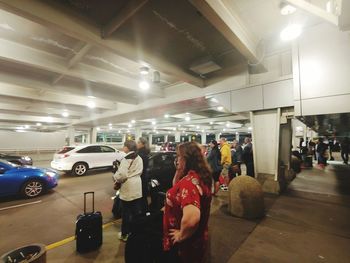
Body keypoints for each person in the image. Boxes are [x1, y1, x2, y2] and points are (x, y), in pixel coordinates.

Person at [164, 142, 212, 263]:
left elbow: (192, 218)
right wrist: (179, 172)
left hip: (187, 245)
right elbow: (177, 189)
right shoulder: (198, 176)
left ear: (187, 159)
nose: (177, 160)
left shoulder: (189, 183)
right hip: (198, 239)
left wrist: (181, 235)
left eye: (179, 156)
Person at [113, 140, 143, 242]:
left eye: (124, 146)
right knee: (136, 212)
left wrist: (115, 176)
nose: (123, 147)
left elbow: (122, 175)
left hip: (128, 188)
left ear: (127, 147)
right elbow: (140, 171)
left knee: (126, 213)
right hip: (137, 186)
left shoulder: (126, 159)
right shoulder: (139, 158)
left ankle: (125, 234)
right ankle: (136, 232)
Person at [137, 137, 150, 211]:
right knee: (143, 197)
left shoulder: (140, 154)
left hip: (140, 177)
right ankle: (145, 212)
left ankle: (142, 214)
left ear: (143, 144)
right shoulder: (146, 152)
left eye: (139, 142)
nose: (137, 144)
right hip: (144, 177)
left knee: (140, 197)